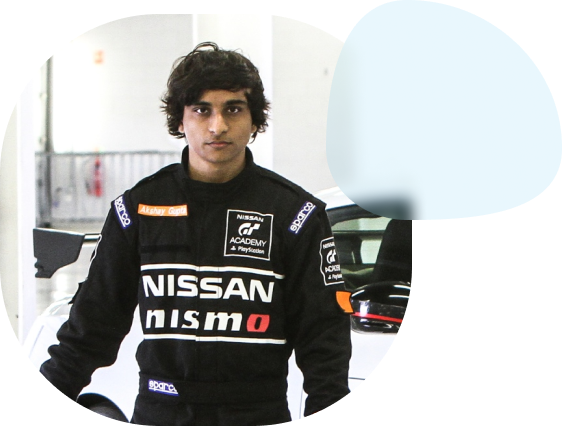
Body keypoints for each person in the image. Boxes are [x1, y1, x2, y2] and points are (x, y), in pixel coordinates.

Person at [40, 42, 351, 425]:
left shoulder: (295, 215)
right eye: (202, 110)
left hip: (256, 413)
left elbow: (325, 342)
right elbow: (89, 328)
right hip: (160, 412)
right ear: (180, 121)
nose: (218, 126)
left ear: (254, 120)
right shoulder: (138, 209)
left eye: (233, 109)